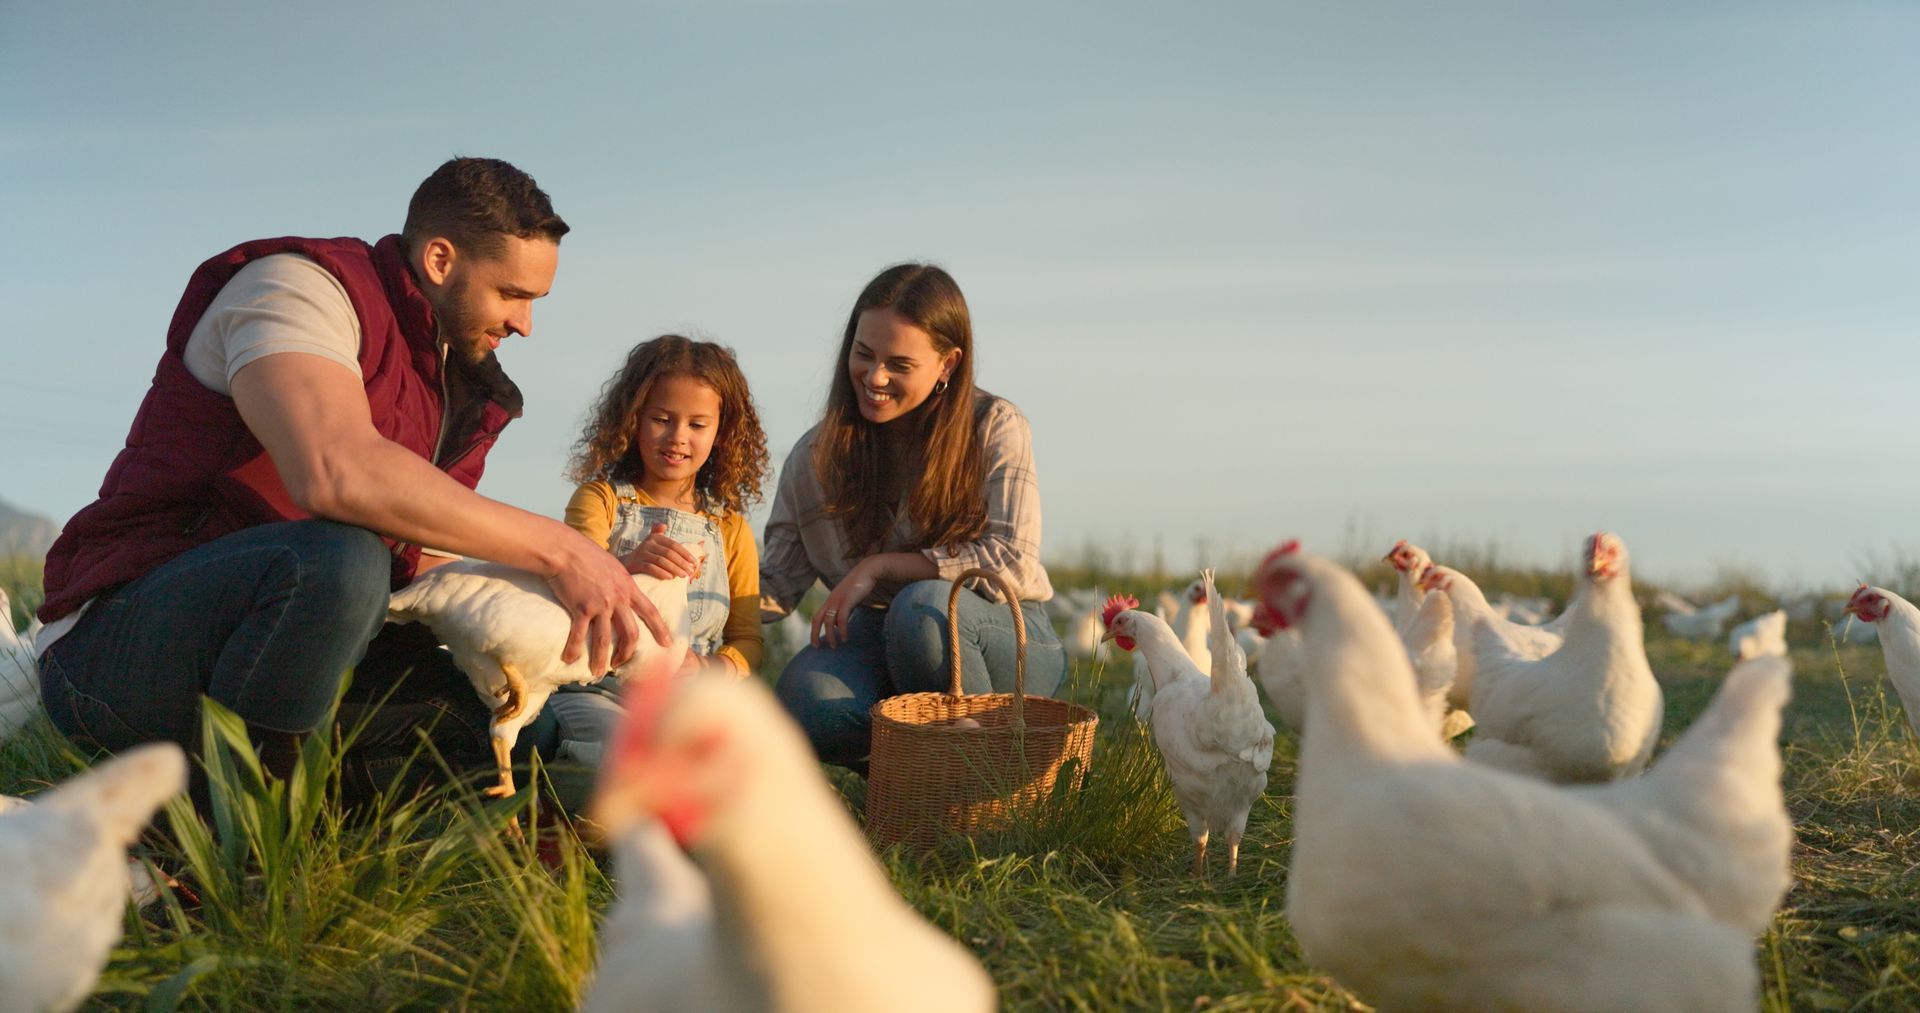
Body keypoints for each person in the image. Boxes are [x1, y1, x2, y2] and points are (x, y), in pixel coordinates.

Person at [33, 157, 670, 802]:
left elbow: (418, 563)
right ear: (441, 260)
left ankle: (294, 823)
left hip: (293, 653)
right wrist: (565, 549)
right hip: (117, 651)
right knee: (339, 559)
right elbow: (334, 473)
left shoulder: (455, 385)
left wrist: (589, 599)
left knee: (504, 744)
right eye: (512, 295)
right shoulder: (296, 288)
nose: (524, 324)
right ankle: (233, 855)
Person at [761, 263, 1066, 770]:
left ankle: (991, 781)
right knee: (804, 703)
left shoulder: (995, 426)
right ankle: (921, 782)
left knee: (921, 609)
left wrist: (881, 567)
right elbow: (775, 583)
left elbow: (1011, 561)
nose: (874, 377)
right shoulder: (814, 457)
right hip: (878, 640)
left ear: (947, 363)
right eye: (863, 354)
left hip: (999, 637)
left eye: (899, 364)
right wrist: (676, 598)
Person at [551, 334, 770, 765]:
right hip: (596, 690)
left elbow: (747, 640)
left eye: (697, 424)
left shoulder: (730, 529)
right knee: (620, 754)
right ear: (633, 419)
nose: (677, 437)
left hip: (689, 698)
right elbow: (571, 588)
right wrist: (623, 566)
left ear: (721, 434)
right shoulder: (600, 501)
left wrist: (709, 669)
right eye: (662, 419)